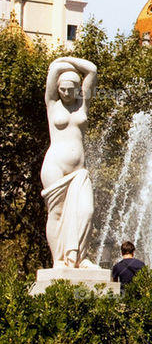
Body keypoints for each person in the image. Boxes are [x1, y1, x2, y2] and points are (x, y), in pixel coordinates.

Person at [42, 56, 97, 268]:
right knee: (56, 213)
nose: (66, 93)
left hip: (79, 171)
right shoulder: (52, 104)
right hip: (55, 165)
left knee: (86, 211)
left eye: (71, 89)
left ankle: (80, 257)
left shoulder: (83, 103)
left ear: (78, 89)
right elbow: (53, 69)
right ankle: (59, 260)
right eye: (62, 89)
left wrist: (67, 59)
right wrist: (61, 65)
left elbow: (92, 70)